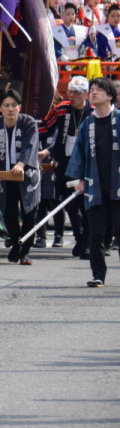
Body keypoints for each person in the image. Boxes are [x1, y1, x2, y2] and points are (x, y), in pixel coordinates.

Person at [66, 76, 120, 288]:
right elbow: (79, 153)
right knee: (95, 233)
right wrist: (79, 179)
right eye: (92, 89)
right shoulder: (88, 123)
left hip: (117, 183)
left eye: (98, 89)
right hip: (94, 184)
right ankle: (98, 275)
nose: (93, 92)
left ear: (110, 95)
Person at [0, 90, 41, 265]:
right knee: (9, 214)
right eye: (6, 105)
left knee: (29, 214)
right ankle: (16, 244)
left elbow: (30, 145)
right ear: (0, 108)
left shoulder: (28, 122)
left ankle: (24, 251)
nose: (10, 109)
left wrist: (21, 164)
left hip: (27, 176)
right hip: (5, 176)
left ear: (20, 107)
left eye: (14, 105)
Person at [40, 76, 91, 255]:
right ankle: (81, 238)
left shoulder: (92, 112)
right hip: (65, 164)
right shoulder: (61, 109)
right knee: (68, 202)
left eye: (77, 92)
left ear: (86, 94)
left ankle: (85, 242)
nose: (73, 95)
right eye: (70, 91)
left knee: (86, 206)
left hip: (87, 165)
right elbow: (44, 127)